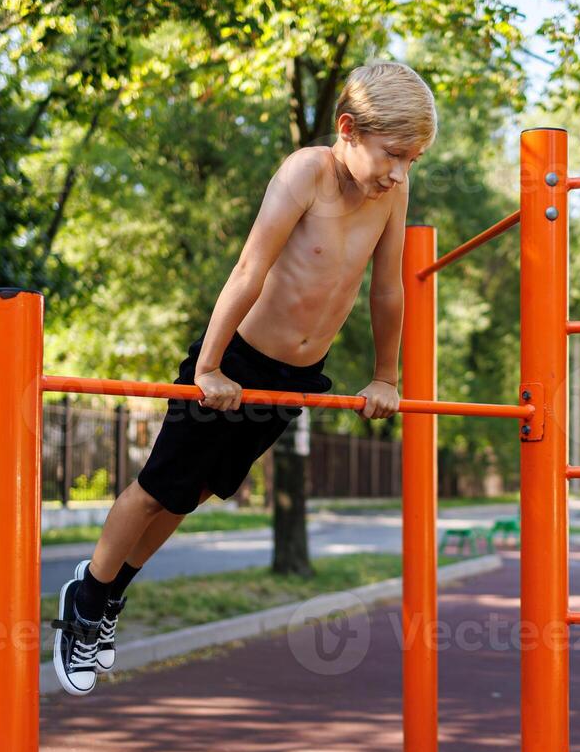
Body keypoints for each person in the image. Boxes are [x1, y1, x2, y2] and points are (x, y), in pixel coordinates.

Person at [53, 62, 437, 695]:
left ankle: (112, 591)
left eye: (413, 161)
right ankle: (85, 601)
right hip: (237, 362)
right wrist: (209, 366)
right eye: (394, 155)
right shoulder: (304, 175)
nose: (400, 172)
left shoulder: (390, 193)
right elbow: (249, 269)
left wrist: (385, 376)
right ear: (348, 129)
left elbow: (388, 288)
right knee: (155, 488)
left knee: (196, 491)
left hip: (296, 377)